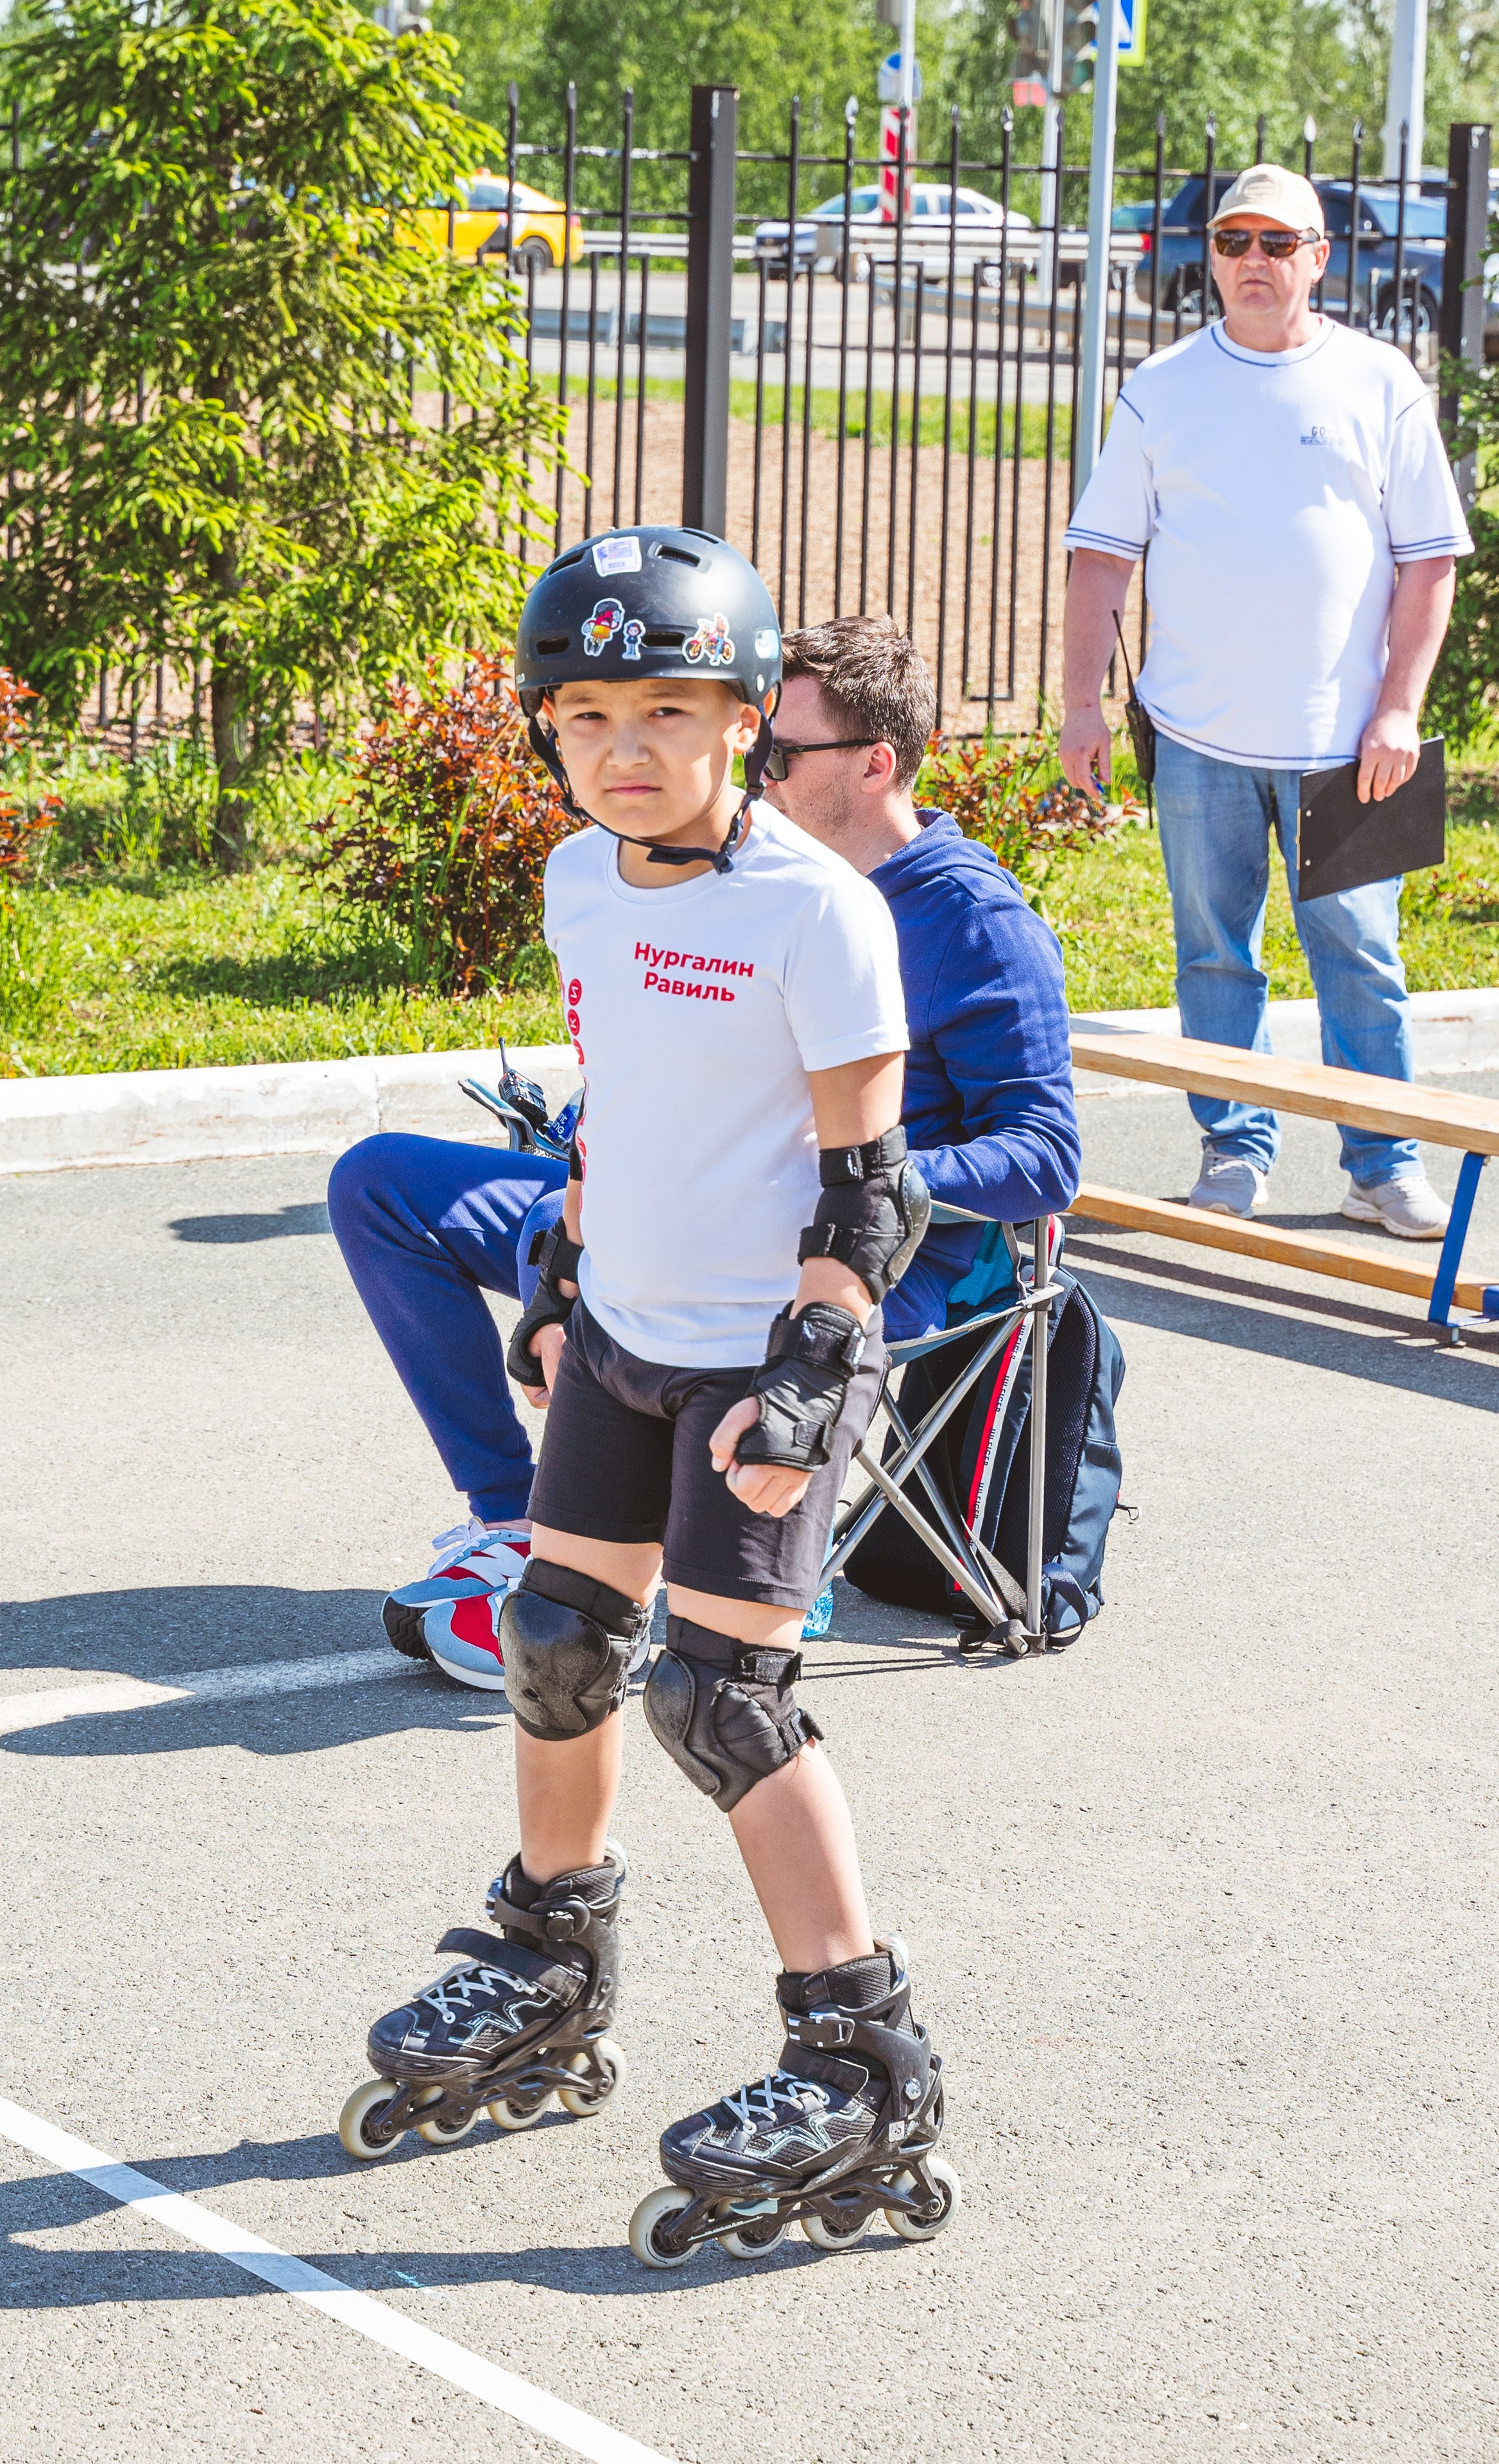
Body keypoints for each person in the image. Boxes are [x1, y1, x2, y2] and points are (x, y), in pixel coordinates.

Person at [336, 527, 960, 2265]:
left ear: (747, 722)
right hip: (620, 1335)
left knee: (723, 1698)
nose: (624, 748)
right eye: (588, 713)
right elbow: (618, 1105)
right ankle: (548, 1954)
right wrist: (555, 1278)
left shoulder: (817, 913)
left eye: (667, 711)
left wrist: (811, 1377)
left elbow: (870, 1192)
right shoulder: (582, 881)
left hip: (761, 1361)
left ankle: (861, 2054)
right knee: (553, 1641)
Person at [327, 617, 1080, 1684]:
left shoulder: (971, 921)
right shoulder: (703, 867)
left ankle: (628, 1580)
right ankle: (512, 1524)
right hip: (656, 1203)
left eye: (780, 750)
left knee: (724, 1719)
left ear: (875, 764)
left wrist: (839, 1182)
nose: (750, 763)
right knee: (382, 1182)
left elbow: (1045, 1157)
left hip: (834, 1264)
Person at [1060, 161, 1471, 1236]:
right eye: (1233, 240)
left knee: (1363, 957)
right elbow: (1100, 560)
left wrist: (1397, 708)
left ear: (1319, 258)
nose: (1251, 261)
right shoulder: (1162, 389)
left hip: (1350, 749)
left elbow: (1430, 564)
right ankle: (1232, 1156)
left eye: (1277, 243)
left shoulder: (1383, 384)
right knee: (1211, 956)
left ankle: (1382, 1164)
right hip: (1199, 739)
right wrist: (1082, 706)